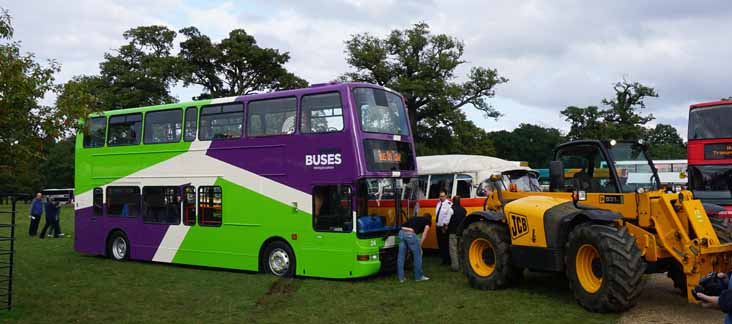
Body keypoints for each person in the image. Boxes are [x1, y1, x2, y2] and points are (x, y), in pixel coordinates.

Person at [397, 213, 431, 283]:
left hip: (401, 233)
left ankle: (401, 278)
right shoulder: (427, 222)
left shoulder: (415, 218)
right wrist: (420, 246)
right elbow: (424, 235)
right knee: (418, 256)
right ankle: (418, 277)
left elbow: (402, 226)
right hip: (410, 234)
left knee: (401, 256)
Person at [434, 190, 453, 265]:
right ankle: (443, 259)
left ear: (446, 196)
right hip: (438, 226)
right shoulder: (438, 204)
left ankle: (448, 260)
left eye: (443, 196)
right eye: (440, 196)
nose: (441, 198)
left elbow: (450, 215)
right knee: (440, 244)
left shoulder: (449, 204)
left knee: (445, 244)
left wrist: (445, 226)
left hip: (444, 227)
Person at [448, 196, 467, 271]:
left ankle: (455, 266)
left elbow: (447, 219)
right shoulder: (463, 210)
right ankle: (462, 264)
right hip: (461, 231)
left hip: (453, 231)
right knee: (460, 249)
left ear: (453, 201)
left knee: (453, 249)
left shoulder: (451, 209)